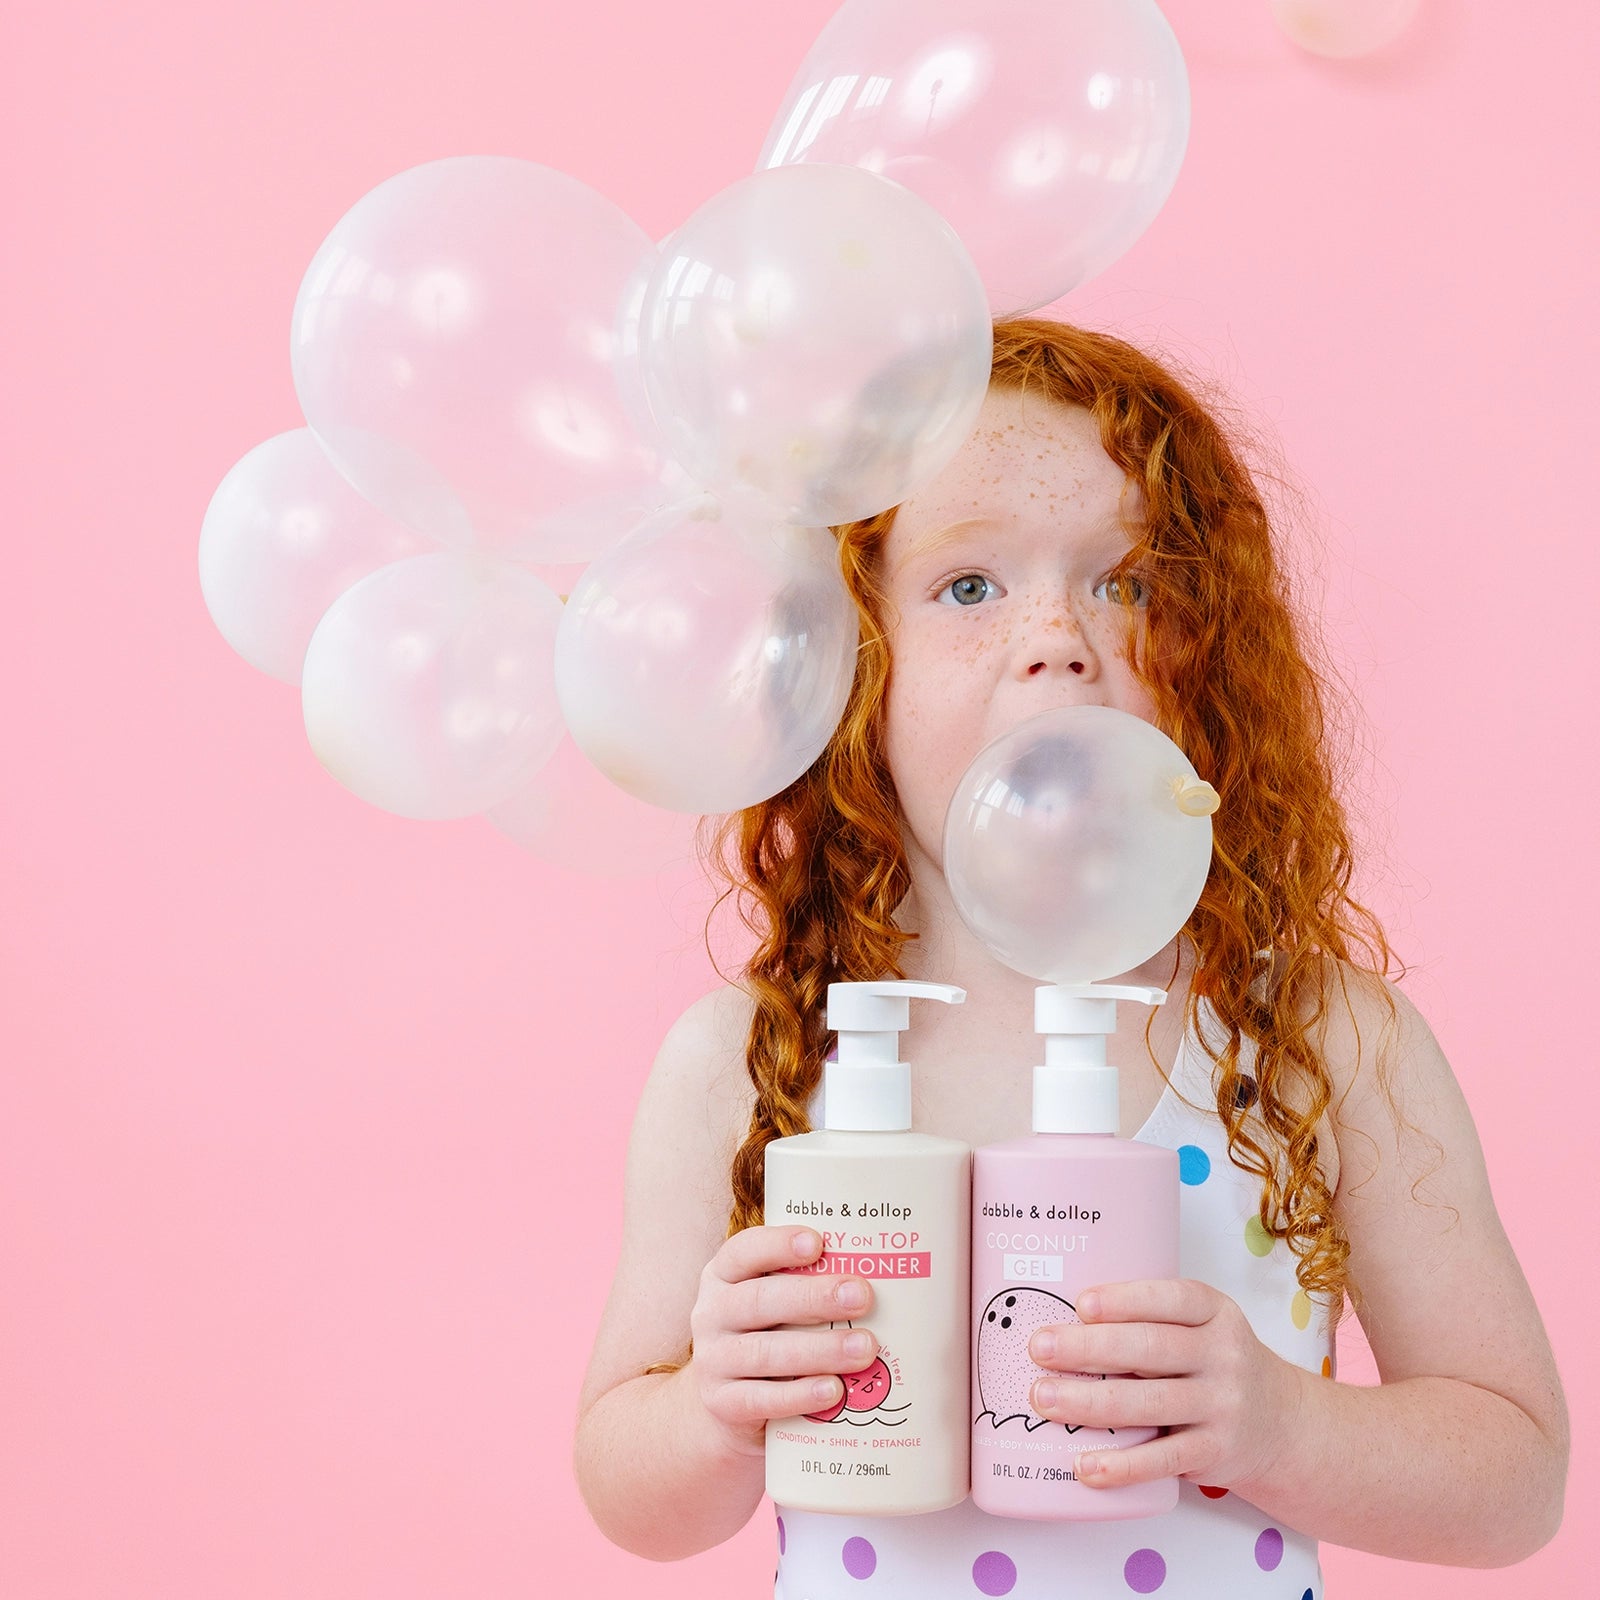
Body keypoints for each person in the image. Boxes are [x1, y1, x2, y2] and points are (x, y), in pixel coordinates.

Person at [571, 318, 1569, 1596]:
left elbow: (1517, 1476)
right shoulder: (751, 1058)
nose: (1057, 636)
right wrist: (714, 1403)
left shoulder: (1322, 1039)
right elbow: (625, 1485)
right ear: (844, 665)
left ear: (1211, 660)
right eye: (969, 586)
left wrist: (1282, 1425)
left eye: (1129, 580)